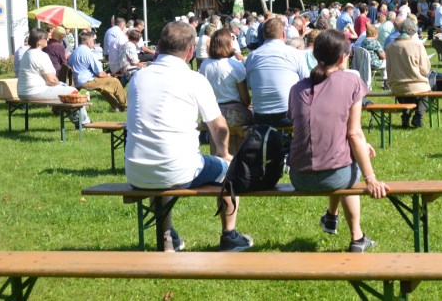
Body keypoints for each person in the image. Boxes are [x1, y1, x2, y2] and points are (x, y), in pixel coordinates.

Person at [125, 21, 253, 252]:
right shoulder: (194, 80)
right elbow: (219, 128)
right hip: (177, 169)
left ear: (160, 45)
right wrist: (223, 154)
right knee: (230, 170)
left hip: (136, 171)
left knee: (160, 165)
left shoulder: (138, 79)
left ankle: (168, 234)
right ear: (190, 50)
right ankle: (229, 235)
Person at [288, 29, 389, 252]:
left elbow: (310, 125)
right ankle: (357, 237)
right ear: (344, 57)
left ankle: (332, 217)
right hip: (334, 176)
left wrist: (359, 144)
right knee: (350, 166)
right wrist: (371, 178)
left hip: (299, 176)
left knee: (345, 156)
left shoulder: (297, 89)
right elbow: (354, 133)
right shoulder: (352, 82)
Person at [244, 17, 310, 127]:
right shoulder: (295, 53)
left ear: (264, 35)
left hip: (261, 115)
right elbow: (306, 83)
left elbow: (250, 85)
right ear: (283, 34)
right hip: (288, 114)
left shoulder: (252, 56)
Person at [199, 28, 253, 155]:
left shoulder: (204, 66)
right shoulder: (235, 65)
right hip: (235, 113)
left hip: (212, 113)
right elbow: (245, 100)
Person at [385, 19, 432, 129]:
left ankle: (405, 114)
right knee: (428, 90)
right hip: (417, 84)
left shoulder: (390, 46)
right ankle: (418, 116)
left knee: (407, 91)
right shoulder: (417, 45)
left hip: (396, 86)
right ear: (413, 31)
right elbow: (425, 69)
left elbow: (388, 69)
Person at [17, 28, 80, 104]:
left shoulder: (27, 53)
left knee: (62, 90)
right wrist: (60, 83)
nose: (48, 38)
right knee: (73, 91)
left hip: (22, 92)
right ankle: (79, 116)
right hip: (34, 92)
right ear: (39, 41)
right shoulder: (41, 55)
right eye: (45, 37)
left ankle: (63, 112)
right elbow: (51, 81)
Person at [69, 31, 128, 111]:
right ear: (88, 42)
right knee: (115, 82)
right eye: (93, 41)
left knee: (104, 87)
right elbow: (100, 74)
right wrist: (108, 75)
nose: (94, 43)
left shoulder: (75, 52)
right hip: (85, 81)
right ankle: (126, 106)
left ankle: (117, 107)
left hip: (76, 81)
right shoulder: (88, 53)